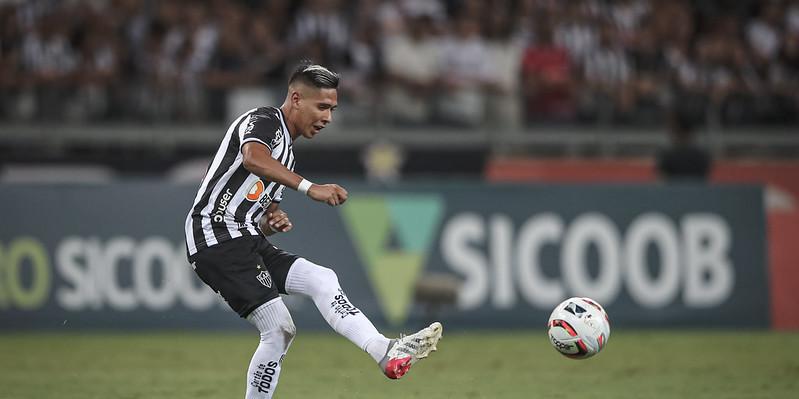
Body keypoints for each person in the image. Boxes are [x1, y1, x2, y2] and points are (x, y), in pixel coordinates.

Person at [184, 62, 443, 398]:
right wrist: (310, 188)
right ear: (295, 99)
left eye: (333, 109)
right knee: (278, 329)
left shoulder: (287, 157)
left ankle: (384, 351)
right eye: (322, 107)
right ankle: (383, 351)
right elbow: (252, 158)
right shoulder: (263, 121)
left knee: (322, 278)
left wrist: (271, 222)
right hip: (215, 235)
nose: (328, 118)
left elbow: (261, 213)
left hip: (244, 236)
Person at [656, 110, 712, 181]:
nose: (670, 132)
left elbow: (662, 179)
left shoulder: (668, 156)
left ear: (677, 129)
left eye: (671, 128)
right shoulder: (702, 155)